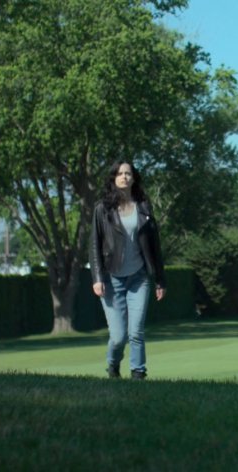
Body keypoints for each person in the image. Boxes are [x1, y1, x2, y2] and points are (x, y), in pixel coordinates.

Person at [90, 161, 166, 379]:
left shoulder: (143, 206)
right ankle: (113, 365)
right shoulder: (102, 208)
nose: (124, 177)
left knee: (136, 332)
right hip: (112, 278)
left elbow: (154, 245)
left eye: (128, 173)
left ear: (134, 178)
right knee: (118, 337)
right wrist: (97, 277)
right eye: (120, 174)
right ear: (114, 178)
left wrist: (160, 279)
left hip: (138, 277)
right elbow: (94, 244)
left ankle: (138, 373)